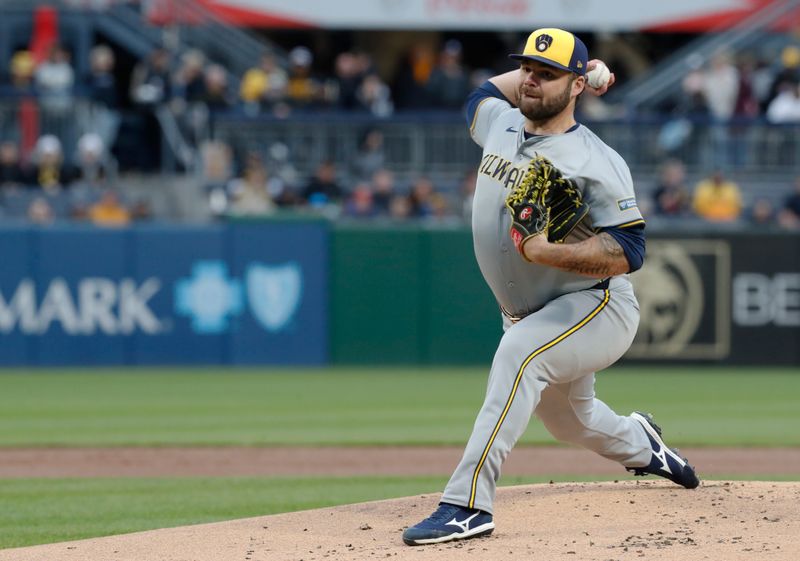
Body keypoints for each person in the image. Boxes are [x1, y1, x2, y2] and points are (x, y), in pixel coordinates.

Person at [402, 28, 700, 547]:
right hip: (530, 311)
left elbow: (629, 252)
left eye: (548, 74)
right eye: (527, 70)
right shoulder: (500, 121)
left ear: (577, 85)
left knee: (519, 355)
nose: (531, 81)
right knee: (572, 423)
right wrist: (579, 72)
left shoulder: (596, 160)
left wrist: (549, 252)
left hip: (595, 306)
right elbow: (482, 95)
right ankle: (643, 443)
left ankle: (467, 504)